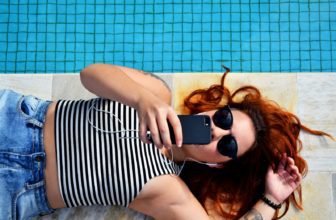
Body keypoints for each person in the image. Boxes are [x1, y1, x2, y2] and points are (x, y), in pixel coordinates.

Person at [0, 64, 331, 220]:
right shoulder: (157, 94)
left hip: (18, 189)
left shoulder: (169, 189)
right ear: (217, 109)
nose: (217, 131)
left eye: (228, 146)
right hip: (17, 119)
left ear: (217, 163)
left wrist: (270, 200)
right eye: (225, 119)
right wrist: (143, 100)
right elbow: (91, 74)